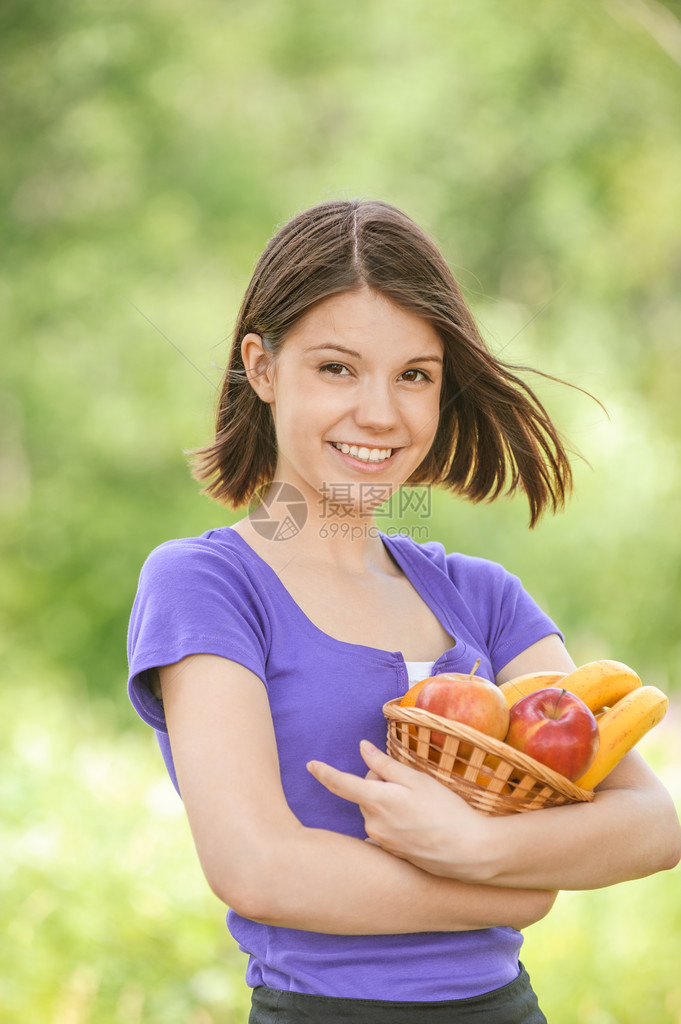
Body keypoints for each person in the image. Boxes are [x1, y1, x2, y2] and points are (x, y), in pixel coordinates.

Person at [127, 199, 681, 1023]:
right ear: (264, 367)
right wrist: (514, 890)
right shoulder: (207, 585)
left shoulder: (484, 598)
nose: (381, 413)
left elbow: (647, 821)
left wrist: (484, 848)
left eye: (414, 375)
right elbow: (256, 868)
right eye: (337, 369)